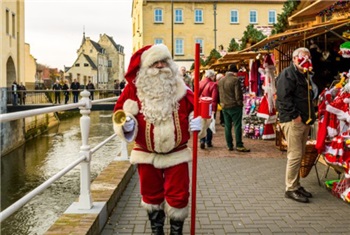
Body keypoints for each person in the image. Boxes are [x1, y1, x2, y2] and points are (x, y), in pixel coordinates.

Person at [113, 44, 205, 234]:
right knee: (151, 195)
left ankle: (176, 231)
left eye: (164, 62)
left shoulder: (180, 88)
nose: (161, 66)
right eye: (156, 63)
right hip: (146, 154)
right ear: (146, 67)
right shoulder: (133, 91)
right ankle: (157, 231)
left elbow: (196, 109)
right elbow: (119, 113)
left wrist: (199, 122)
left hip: (176, 153)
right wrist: (127, 125)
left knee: (179, 195)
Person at [276, 47, 316, 203]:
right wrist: (295, 116)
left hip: (304, 120)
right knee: (295, 155)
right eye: (302, 56)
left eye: (308, 56)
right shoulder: (287, 74)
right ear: (294, 59)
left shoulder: (304, 74)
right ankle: (290, 188)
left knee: (300, 154)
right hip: (294, 121)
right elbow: (283, 98)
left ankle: (296, 185)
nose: (306, 59)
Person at [218, 64, 250, 152]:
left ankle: (229, 145)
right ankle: (239, 145)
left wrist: (221, 103)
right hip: (234, 106)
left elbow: (219, 94)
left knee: (227, 126)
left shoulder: (221, 80)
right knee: (237, 125)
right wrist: (240, 103)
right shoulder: (235, 80)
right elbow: (238, 94)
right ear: (234, 72)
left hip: (224, 106)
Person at [199, 69, 218, 149]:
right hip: (209, 106)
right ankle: (208, 141)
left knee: (202, 123)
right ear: (212, 76)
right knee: (209, 124)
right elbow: (214, 98)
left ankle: (202, 140)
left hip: (200, 105)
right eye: (214, 76)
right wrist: (213, 109)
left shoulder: (200, 82)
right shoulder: (213, 85)